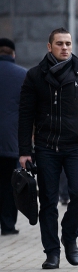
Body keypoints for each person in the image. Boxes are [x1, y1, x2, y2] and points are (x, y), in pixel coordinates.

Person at [18, 27, 78, 269]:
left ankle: (69, 236)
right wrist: (25, 151)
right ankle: (52, 253)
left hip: (75, 146)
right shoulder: (35, 76)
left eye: (68, 43)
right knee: (47, 200)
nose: (65, 47)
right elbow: (25, 115)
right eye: (59, 44)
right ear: (49, 47)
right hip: (46, 146)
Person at [0, 38, 26, 236]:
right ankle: (8, 225)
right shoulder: (23, 75)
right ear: (13, 54)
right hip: (11, 141)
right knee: (10, 185)